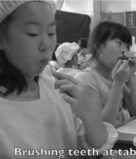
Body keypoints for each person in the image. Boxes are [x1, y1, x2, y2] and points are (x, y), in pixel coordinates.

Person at [0, 0, 112, 158]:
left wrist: (90, 115)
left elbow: (93, 149)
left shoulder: (59, 91)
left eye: (51, 33)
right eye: (32, 33)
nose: (46, 44)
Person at [76, 21, 136, 127]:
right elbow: (101, 129)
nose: (124, 51)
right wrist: (118, 84)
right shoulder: (86, 80)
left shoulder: (113, 77)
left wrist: (131, 74)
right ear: (98, 46)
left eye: (127, 46)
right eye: (118, 43)